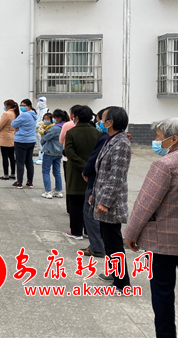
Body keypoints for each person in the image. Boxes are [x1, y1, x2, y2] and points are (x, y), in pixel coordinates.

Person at [124, 118, 178, 337]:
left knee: (163, 294)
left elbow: (145, 203)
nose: (156, 141)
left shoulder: (165, 165)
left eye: (158, 136)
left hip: (163, 243)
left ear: (173, 139)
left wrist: (130, 234)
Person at [89, 106, 132, 293]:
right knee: (108, 241)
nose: (100, 121)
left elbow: (116, 176)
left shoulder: (121, 143)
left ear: (111, 122)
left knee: (114, 242)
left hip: (112, 203)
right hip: (104, 196)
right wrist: (95, 194)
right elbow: (103, 173)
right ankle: (114, 272)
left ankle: (122, 283)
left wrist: (104, 201)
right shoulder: (111, 139)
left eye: (103, 118)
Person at [64, 105, 99, 240]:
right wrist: (89, 167)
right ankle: (88, 230)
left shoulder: (71, 133)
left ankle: (76, 231)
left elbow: (69, 152)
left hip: (75, 171)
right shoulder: (97, 133)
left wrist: (83, 166)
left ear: (76, 118)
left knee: (75, 202)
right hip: (93, 170)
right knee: (89, 200)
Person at [79, 108, 109, 258]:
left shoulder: (105, 138)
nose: (98, 123)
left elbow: (95, 158)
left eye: (100, 120)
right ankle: (100, 244)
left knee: (90, 213)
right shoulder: (113, 138)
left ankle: (97, 246)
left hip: (97, 180)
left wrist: (86, 171)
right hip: (101, 180)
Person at [11, 99, 37, 188]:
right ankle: (30, 181)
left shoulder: (24, 115)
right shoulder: (34, 115)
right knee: (29, 162)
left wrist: (18, 127)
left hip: (21, 140)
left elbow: (13, 124)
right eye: (21, 105)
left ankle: (19, 181)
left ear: (29, 106)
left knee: (20, 162)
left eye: (24, 105)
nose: (22, 107)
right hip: (31, 140)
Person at [39, 109, 65, 199]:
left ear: (58, 118)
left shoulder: (55, 128)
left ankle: (48, 191)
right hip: (59, 151)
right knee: (57, 171)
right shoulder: (64, 126)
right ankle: (58, 190)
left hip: (49, 151)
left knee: (46, 171)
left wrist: (42, 142)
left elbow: (45, 138)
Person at [0, 100, 18, 181]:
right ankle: (13, 173)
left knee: (5, 157)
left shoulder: (6, 114)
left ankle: (6, 174)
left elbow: (0, 125)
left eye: (5, 105)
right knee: (12, 156)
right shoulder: (15, 113)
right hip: (13, 135)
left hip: (5, 136)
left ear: (8, 106)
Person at [34, 96, 49, 165]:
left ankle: (43, 158)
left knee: (42, 144)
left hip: (42, 130)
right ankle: (40, 157)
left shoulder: (46, 110)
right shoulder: (38, 110)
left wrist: (38, 125)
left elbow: (44, 121)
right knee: (38, 144)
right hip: (36, 129)